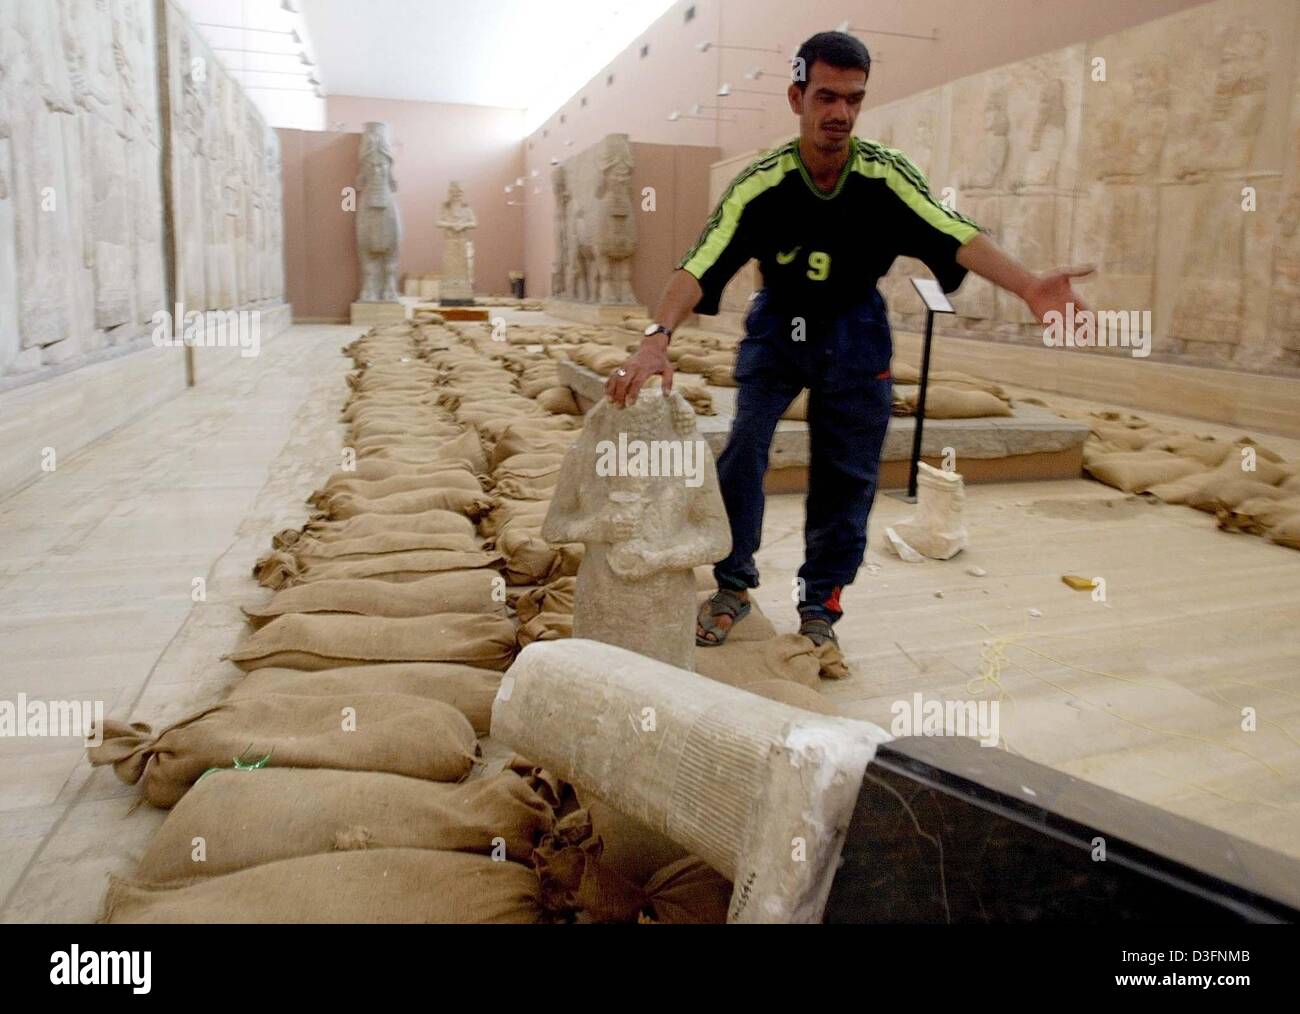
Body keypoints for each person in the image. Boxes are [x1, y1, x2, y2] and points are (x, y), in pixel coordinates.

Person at [605, 30, 1092, 649]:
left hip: (855, 329)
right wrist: (656, 338)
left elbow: (955, 232)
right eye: (826, 97)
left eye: (853, 100)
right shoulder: (762, 184)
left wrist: (1027, 286)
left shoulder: (885, 178)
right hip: (779, 325)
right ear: (797, 97)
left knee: (848, 472)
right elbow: (699, 261)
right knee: (744, 449)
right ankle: (732, 584)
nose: (839, 113)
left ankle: (821, 604)